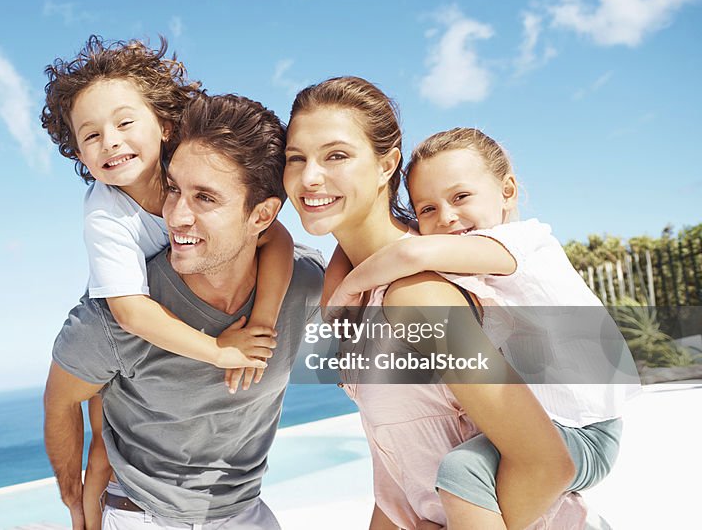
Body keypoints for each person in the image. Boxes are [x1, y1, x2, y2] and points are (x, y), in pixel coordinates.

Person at [283, 77, 586, 529]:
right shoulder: (355, 293)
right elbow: (399, 484)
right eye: (296, 159)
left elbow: (547, 464)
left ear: (387, 164)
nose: (309, 177)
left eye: (336, 155)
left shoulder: (417, 294)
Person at [325, 126, 638, 528]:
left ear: (507, 190)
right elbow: (360, 245)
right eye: (428, 209)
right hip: (563, 424)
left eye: (460, 197)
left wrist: (349, 288)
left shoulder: (525, 243)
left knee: (463, 473)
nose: (448, 217)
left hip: (584, 428)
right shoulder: (472, 264)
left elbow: (409, 249)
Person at [41, 36, 296, 525]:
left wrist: (262, 320)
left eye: (124, 122)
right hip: (121, 304)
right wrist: (220, 351)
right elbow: (129, 310)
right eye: (90, 135)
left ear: (165, 124)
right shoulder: (104, 214)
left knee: (105, 437)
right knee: (102, 446)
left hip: (234, 504)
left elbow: (276, 239)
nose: (110, 141)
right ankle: (84, 515)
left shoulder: (194, 165)